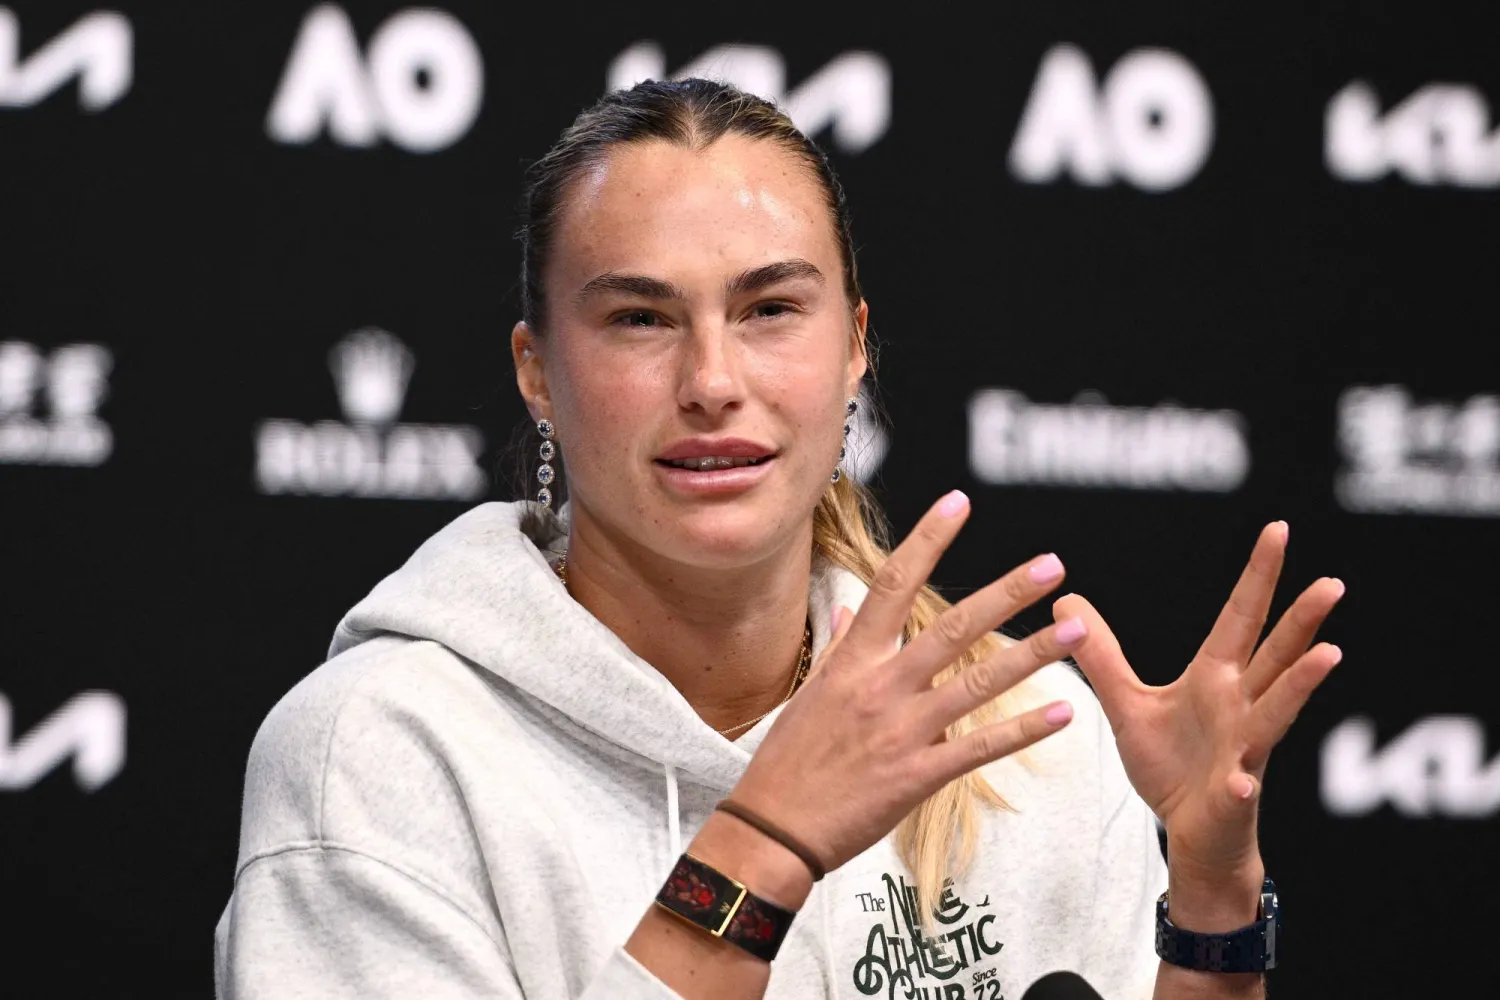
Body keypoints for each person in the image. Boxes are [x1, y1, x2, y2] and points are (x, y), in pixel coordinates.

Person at [213, 79, 1344, 1000]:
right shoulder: (377, 754)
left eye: (768, 310)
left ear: (854, 347)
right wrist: (766, 838)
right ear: (536, 373)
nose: (712, 382)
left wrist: (1207, 905)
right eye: (640, 318)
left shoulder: (1011, 734)